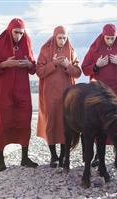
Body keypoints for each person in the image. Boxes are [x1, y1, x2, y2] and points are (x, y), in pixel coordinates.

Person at [0, 18, 38, 171]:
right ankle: (0, 158)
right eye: (16, 32)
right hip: (4, 91)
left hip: (22, 92)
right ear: (10, 30)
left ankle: (24, 157)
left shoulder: (26, 42)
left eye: (21, 33)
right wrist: (4, 64)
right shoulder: (0, 43)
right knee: (3, 121)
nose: (19, 36)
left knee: (24, 120)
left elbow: (33, 67)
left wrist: (29, 64)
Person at [82, 24, 117, 166]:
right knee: (98, 122)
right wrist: (96, 65)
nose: (110, 41)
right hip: (99, 92)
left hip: (115, 92)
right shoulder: (95, 47)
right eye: (108, 38)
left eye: (112, 38)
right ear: (103, 36)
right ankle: (98, 154)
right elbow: (85, 69)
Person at [36, 26, 81, 168]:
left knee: (65, 124)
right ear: (55, 37)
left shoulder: (71, 51)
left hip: (67, 96)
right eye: (60, 38)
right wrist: (53, 64)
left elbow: (78, 73)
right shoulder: (45, 50)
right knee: (51, 123)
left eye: (65, 38)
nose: (62, 41)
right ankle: (53, 156)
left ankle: (63, 155)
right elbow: (39, 71)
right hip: (49, 94)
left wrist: (68, 65)